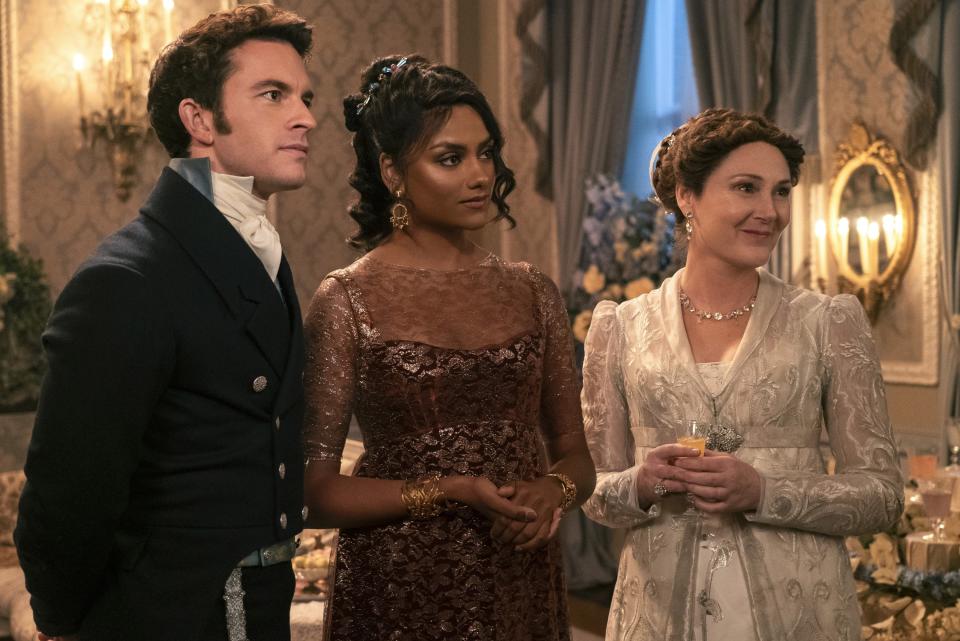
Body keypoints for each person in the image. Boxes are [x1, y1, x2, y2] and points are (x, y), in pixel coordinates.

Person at [14, 5, 316, 640]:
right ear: (199, 118)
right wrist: (66, 623)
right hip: (173, 616)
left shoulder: (251, 245)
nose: (306, 117)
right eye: (273, 94)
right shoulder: (127, 280)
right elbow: (68, 496)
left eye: (303, 96)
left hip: (256, 609)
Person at [302, 54, 596, 640]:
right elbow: (316, 495)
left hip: (519, 574)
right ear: (393, 173)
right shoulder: (346, 300)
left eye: (486, 152)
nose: (479, 174)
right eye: (450, 158)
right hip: (400, 583)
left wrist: (550, 491)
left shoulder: (532, 292)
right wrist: (451, 491)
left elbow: (578, 460)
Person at [581, 108, 903, 641]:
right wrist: (641, 483)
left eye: (781, 191)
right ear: (687, 195)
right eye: (746, 188)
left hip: (799, 613)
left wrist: (763, 491)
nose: (770, 211)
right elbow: (592, 492)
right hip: (659, 616)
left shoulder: (828, 322)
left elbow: (882, 495)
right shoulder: (620, 327)